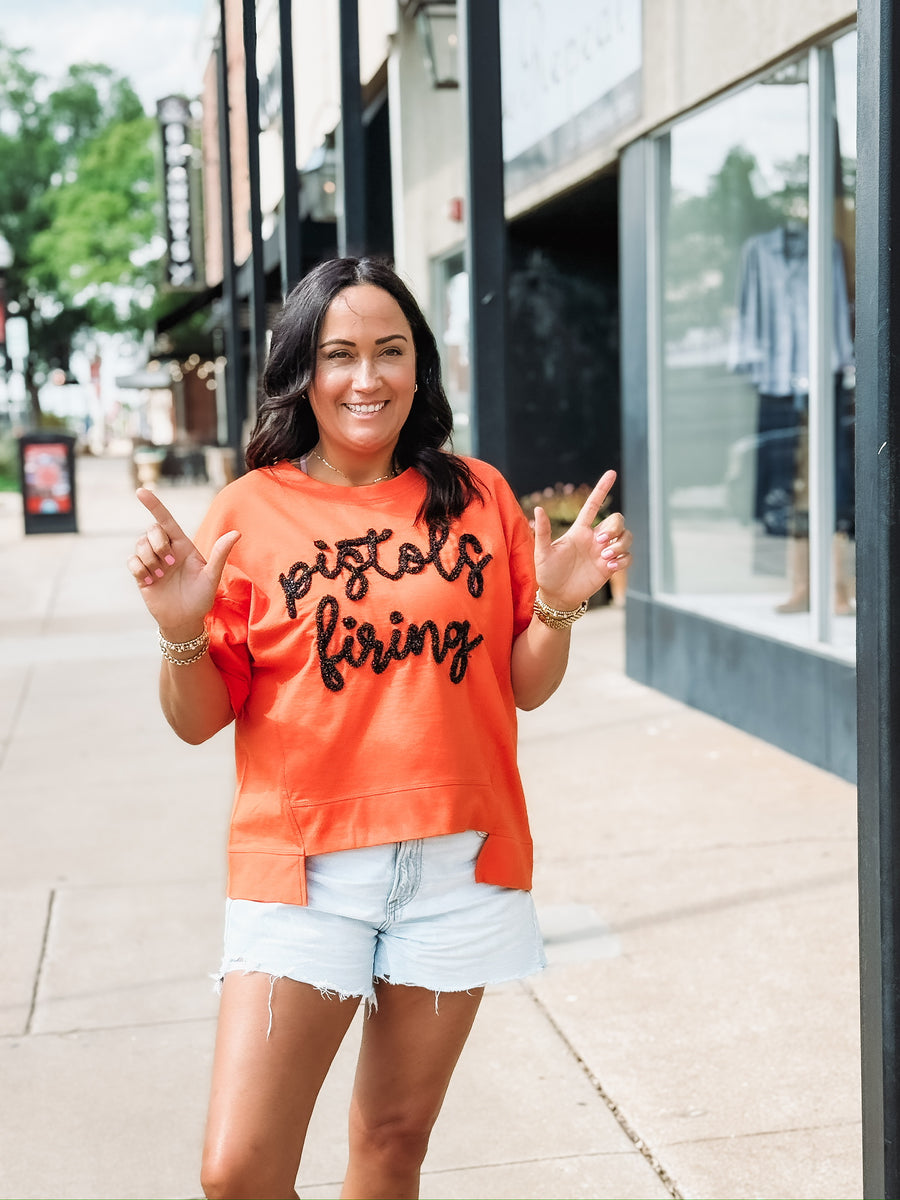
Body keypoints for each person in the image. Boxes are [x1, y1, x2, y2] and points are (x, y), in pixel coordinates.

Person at [127, 256, 632, 1200]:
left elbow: (522, 687)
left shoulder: (476, 493)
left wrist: (557, 606)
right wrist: (180, 630)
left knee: (394, 1144)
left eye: (390, 351)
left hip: (456, 868)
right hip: (303, 871)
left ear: (419, 366)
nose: (368, 378)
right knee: (238, 1170)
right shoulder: (250, 509)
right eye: (341, 354)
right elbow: (198, 723)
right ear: (303, 373)